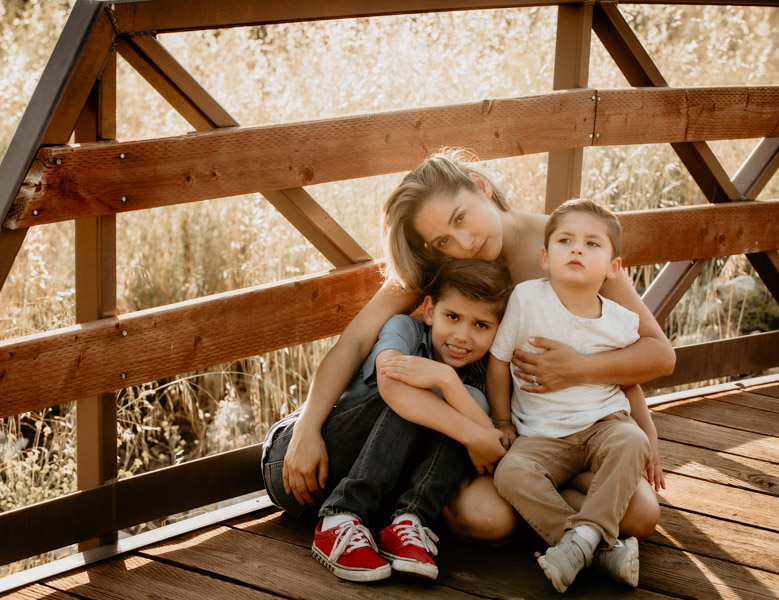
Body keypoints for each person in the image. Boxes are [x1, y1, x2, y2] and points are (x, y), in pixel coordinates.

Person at [269, 150, 674, 547]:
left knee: (640, 515)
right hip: (495, 432)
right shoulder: (446, 262)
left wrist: (582, 371)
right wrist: (307, 427)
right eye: (444, 239)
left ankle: (573, 531)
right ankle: (538, 517)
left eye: (460, 217)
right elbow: (357, 338)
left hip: (571, 428)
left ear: (480, 187)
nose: (465, 242)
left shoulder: (566, 244)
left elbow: (657, 352)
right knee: (486, 517)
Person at [263, 259, 512, 582]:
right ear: (429, 310)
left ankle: (408, 522)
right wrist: (447, 390)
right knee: (413, 391)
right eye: (452, 317)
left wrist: (449, 380)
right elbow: (392, 382)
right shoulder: (403, 328)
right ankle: (339, 517)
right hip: (299, 462)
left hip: (375, 503)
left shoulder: (481, 379)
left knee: (465, 403)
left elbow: (489, 441)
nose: (463, 336)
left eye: (481, 325)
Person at [487, 199, 663, 592]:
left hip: (605, 424)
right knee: (511, 473)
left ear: (613, 267)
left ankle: (578, 545)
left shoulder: (621, 321)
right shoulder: (527, 299)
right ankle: (592, 545)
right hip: (541, 433)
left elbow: (628, 381)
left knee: (633, 441)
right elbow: (499, 362)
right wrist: (501, 420)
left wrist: (648, 434)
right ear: (545, 257)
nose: (577, 249)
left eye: (592, 243)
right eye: (565, 240)